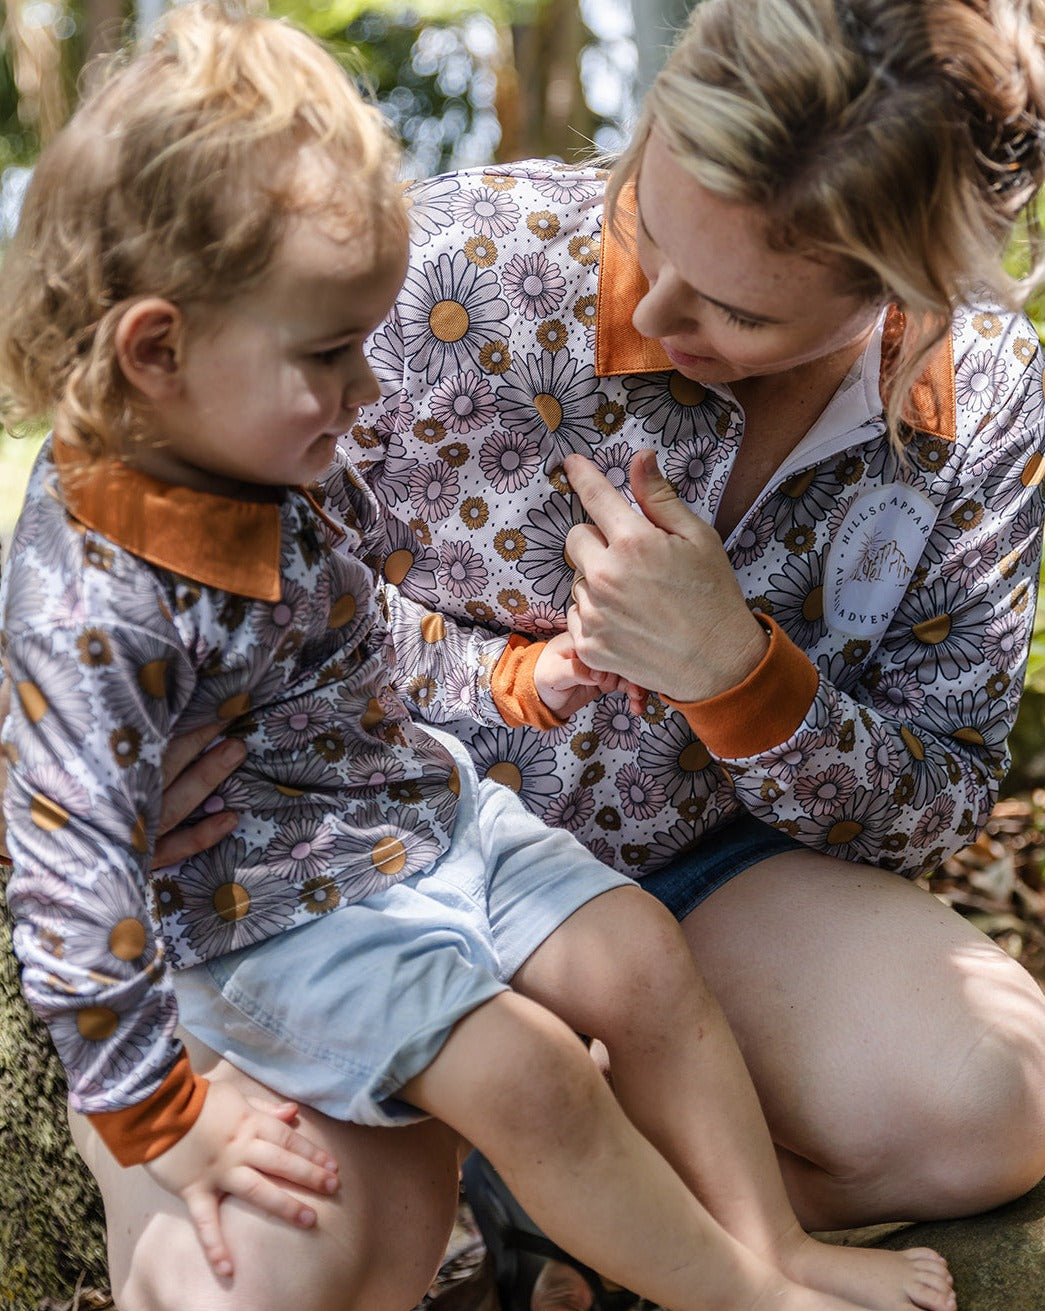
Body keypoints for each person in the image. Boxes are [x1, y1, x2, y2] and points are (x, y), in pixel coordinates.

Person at [0, 7, 962, 1311]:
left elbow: (360, 639)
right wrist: (163, 1119)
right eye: (331, 356)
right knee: (527, 1078)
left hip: (415, 815)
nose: (363, 391)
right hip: (274, 910)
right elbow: (67, 895)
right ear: (156, 350)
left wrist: (520, 681)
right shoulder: (98, 598)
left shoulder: (260, 458)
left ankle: (768, 1245)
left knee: (633, 954)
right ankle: (743, 1300)